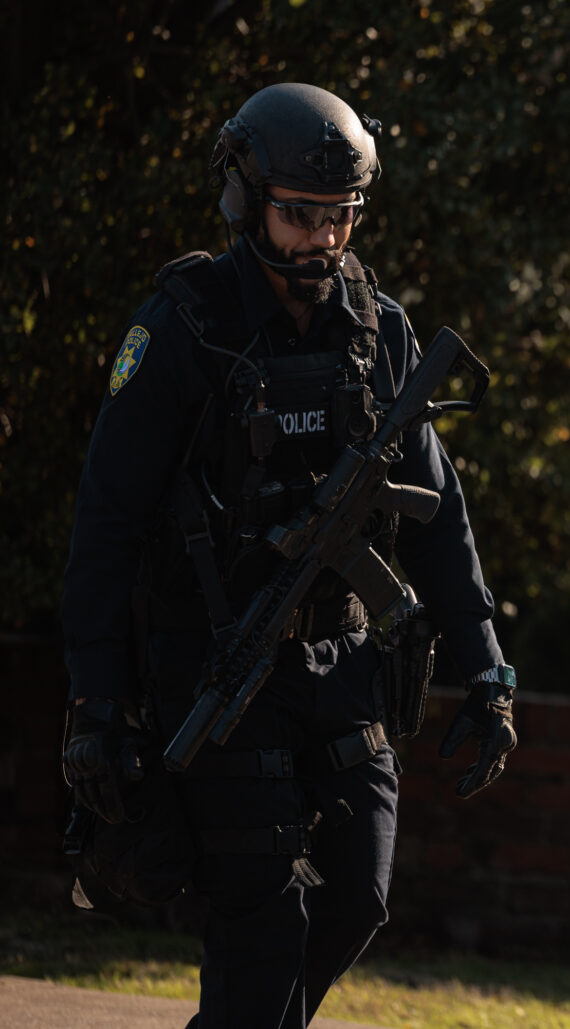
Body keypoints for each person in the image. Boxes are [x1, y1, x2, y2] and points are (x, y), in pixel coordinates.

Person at [59, 82, 521, 1028]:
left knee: (361, 893)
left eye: (341, 216)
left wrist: (485, 669)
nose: (323, 238)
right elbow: (105, 522)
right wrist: (96, 705)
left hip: (345, 665)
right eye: (300, 214)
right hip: (222, 668)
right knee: (262, 930)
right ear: (244, 198)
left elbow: (439, 516)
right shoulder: (186, 327)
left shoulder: (379, 330)